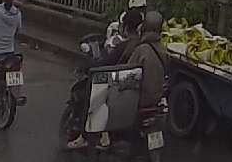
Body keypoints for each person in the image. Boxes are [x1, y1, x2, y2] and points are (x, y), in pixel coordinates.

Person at [67, 10, 167, 150]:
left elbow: (126, 73)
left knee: (92, 96)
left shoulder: (137, 49)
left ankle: (89, 136)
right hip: (155, 99)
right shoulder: (163, 50)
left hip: (137, 98)